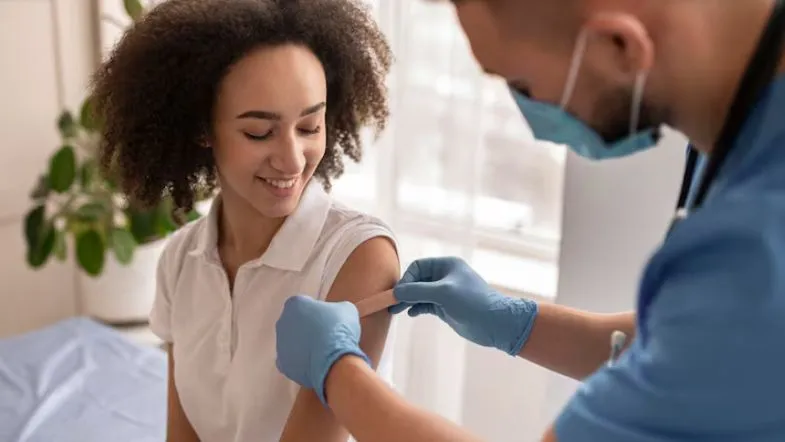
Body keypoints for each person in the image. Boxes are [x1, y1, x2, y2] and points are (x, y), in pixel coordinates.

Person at [275, 0, 785, 441]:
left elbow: (731, 322)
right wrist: (518, 322)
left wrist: (338, 374)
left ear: (619, 46)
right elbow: (699, 356)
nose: (528, 114)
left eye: (521, 84)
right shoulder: (749, 125)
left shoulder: (759, 244)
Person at [90, 0, 399, 441]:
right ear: (202, 129)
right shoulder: (180, 260)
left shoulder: (358, 258)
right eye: (259, 132)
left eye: (310, 126)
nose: (293, 158)